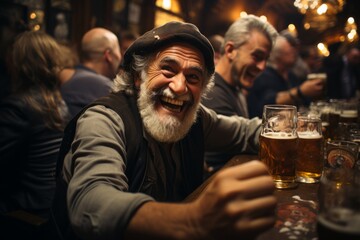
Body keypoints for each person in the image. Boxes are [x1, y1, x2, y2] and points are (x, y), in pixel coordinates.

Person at [52, 21, 277, 240]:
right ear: (139, 77)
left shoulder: (196, 119)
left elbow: (247, 131)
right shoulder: (105, 119)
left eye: (193, 77)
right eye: (168, 70)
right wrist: (193, 219)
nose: (180, 87)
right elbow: (91, 204)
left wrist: (298, 128)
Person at [0, 31, 68, 220]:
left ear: (18, 63)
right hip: (50, 202)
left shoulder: (20, 105)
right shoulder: (55, 100)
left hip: (25, 208)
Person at [202, 15, 278, 174]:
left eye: (266, 59)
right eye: (257, 57)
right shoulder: (212, 92)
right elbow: (229, 157)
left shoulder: (236, 87)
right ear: (230, 50)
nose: (262, 67)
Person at [247, 31, 325, 118]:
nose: (295, 51)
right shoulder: (264, 75)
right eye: (291, 48)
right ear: (277, 53)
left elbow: (306, 105)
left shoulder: (292, 76)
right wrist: (300, 91)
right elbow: (268, 103)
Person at [60, 27, 122, 118]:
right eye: (118, 50)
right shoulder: (105, 87)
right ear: (108, 55)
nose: (120, 56)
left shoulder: (68, 77)